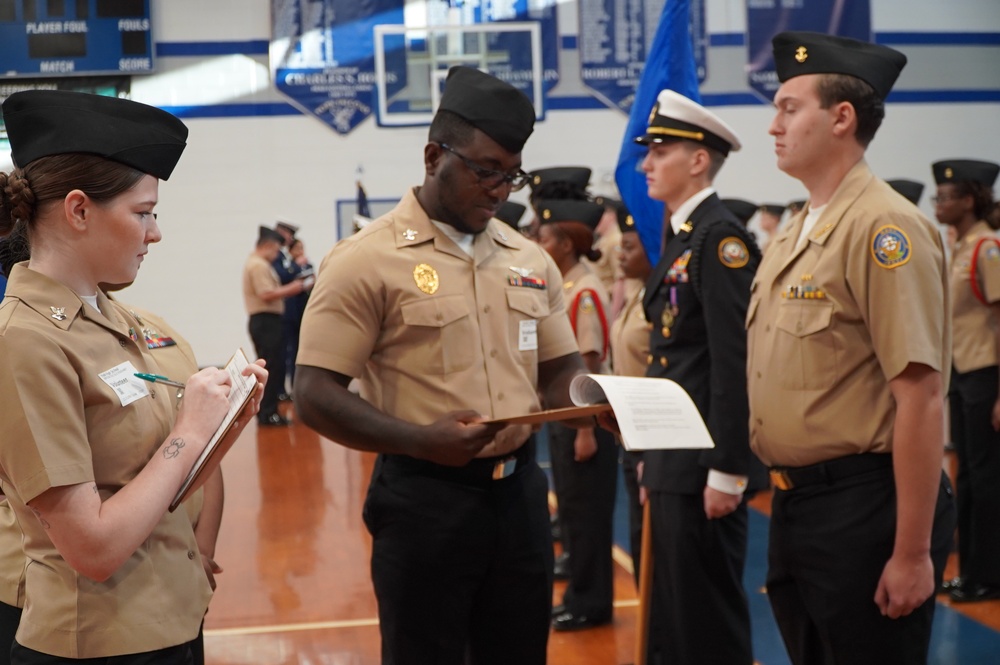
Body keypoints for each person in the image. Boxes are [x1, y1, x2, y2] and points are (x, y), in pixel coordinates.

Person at [293, 66, 588, 665]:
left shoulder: (528, 258)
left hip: (521, 498)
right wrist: (419, 440)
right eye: (485, 171)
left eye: (512, 175)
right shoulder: (365, 261)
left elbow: (560, 368)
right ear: (434, 157)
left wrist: (592, 403)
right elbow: (315, 392)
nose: (501, 190)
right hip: (425, 501)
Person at [0, 89, 266, 664]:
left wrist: (224, 421)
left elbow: (162, 482)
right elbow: (92, 547)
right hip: (97, 643)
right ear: (78, 210)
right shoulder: (25, 340)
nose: (155, 233)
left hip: (170, 621)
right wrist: (190, 432)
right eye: (143, 213)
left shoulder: (128, 323)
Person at [747, 32, 956, 664]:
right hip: (798, 503)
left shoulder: (883, 227)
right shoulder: (795, 231)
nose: (772, 126)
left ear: (842, 118)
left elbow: (920, 395)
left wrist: (913, 553)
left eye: (789, 107)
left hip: (864, 508)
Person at [635, 88, 763, 665]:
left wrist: (730, 470)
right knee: (672, 614)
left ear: (698, 160)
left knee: (706, 622)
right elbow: (673, 357)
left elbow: (734, 363)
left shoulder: (721, 240)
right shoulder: (687, 236)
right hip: (675, 460)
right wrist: (653, 456)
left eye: (659, 151)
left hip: (704, 464)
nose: (646, 164)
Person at [536, 198, 618, 631]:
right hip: (566, 416)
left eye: (544, 237)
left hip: (584, 420)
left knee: (586, 517)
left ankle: (590, 603)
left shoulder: (584, 290)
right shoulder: (566, 284)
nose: (537, 243)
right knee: (571, 510)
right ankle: (580, 596)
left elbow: (587, 362)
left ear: (566, 244)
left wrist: (585, 431)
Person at [931, 158, 1000, 602]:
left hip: (987, 377)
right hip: (963, 376)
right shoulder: (959, 245)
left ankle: (990, 576)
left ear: (969, 199)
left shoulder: (987, 248)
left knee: (989, 480)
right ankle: (972, 571)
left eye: (946, 197)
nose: (938, 204)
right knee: (970, 480)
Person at [607, 204, 652, 584]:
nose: (620, 256)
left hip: (652, 438)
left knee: (654, 548)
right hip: (629, 434)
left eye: (630, 248)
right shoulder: (638, 296)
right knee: (640, 543)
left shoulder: (659, 304)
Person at [242, 225, 310, 426]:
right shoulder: (258, 265)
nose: (276, 255)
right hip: (266, 320)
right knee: (272, 366)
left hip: (267, 320)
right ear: (267, 246)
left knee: (275, 364)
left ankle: (269, 410)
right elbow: (266, 293)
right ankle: (268, 412)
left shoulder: (257, 263)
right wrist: (295, 288)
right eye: (275, 250)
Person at [271, 219, 301, 400]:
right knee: (282, 354)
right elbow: (282, 275)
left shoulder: (284, 255)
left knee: (290, 352)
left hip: (292, 312)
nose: (291, 238)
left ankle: (286, 389)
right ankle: (280, 391)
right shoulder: (276, 255)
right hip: (283, 313)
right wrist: (297, 267)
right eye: (288, 234)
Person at [283, 236, 314, 391]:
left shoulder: (308, 265)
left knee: (305, 349)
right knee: (292, 350)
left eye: (302, 247)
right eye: (297, 248)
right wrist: (296, 267)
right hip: (291, 313)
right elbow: (286, 280)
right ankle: (293, 385)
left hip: (305, 311)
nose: (301, 251)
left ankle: (304, 385)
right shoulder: (288, 266)